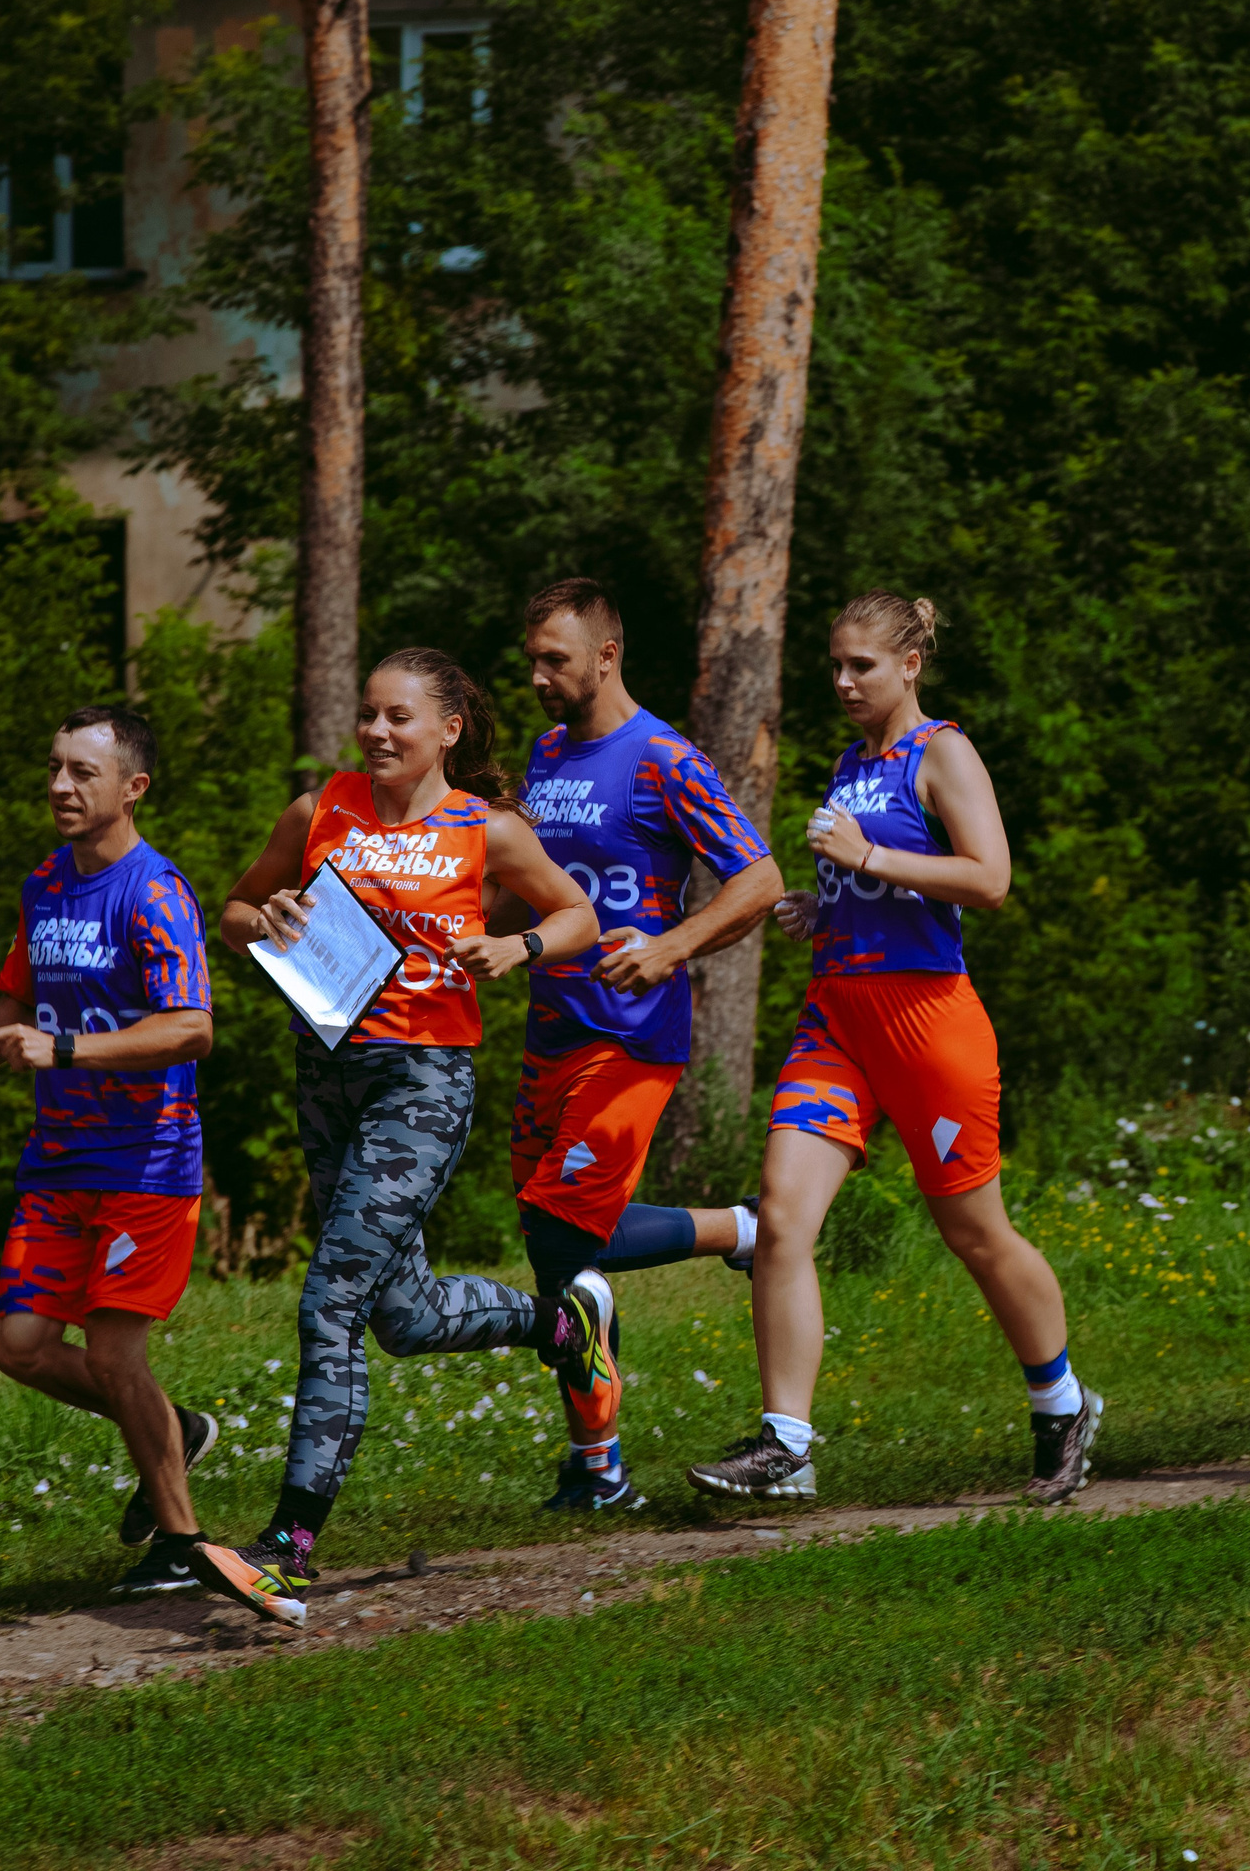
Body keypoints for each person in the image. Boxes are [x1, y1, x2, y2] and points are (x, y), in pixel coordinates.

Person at [686, 593, 1102, 1505]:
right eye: (834, 665)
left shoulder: (941, 752)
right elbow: (869, 878)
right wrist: (821, 905)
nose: (841, 681)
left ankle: (1062, 1402)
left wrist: (868, 857)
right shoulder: (849, 763)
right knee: (785, 1223)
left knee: (974, 1232)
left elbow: (988, 879)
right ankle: (785, 1445)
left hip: (929, 1023)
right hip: (838, 1018)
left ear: (910, 665)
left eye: (861, 666)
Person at [219, 650, 605, 1594]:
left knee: (332, 1305)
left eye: (400, 717)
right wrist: (262, 918)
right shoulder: (320, 811)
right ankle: (561, 1326)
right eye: (368, 716)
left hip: (423, 1083)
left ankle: (291, 1546)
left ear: (448, 730)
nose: (379, 733)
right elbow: (229, 909)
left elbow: (579, 916)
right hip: (327, 1076)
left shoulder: (487, 830)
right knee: (404, 1315)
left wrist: (517, 946)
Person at [0, 706, 297, 1625]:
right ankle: (176, 1433)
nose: (62, 786)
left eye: (84, 773)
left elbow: (194, 1027)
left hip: (147, 1166)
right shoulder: (44, 886)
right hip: (56, 1163)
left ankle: (182, 1544)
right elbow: (13, 1001)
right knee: (19, 1348)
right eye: (57, 767)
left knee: (113, 1353)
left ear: (133, 788)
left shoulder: (155, 894)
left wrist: (61, 1051)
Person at [497, 580, 783, 1512]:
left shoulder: (663, 757)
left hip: (632, 1036)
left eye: (556, 660)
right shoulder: (543, 755)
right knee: (558, 1265)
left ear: (607, 654)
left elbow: (760, 879)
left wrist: (671, 946)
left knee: (564, 1228)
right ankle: (597, 1465)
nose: (538, 676)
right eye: (532, 659)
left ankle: (737, 1230)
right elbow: (530, 889)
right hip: (550, 1029)